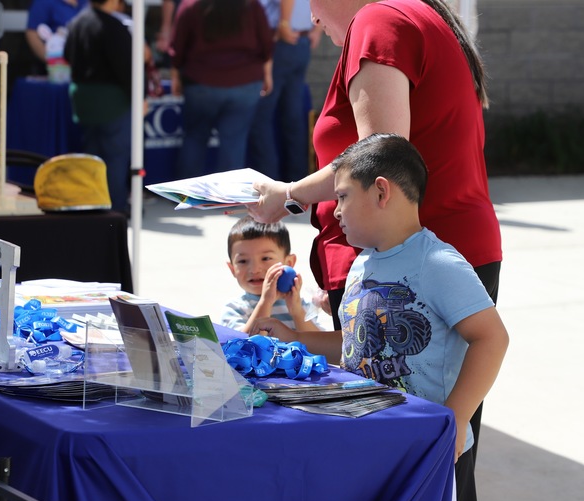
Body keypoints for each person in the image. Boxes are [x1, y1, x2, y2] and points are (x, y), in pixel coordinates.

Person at [247, 0, 500, 472]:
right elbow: (360, 346)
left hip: (420, 259)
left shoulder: (379, 22)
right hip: (412, 254)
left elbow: (379, 154)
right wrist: (296, 333)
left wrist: (288, 195)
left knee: (421, 473)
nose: (311, 18)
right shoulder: (405, 17)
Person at [252, 134, 509, 501]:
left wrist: (455, 420)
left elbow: (492, 338)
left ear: (381, 192)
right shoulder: (363, 262)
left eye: (341, 197)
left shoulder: (437, 261)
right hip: (374, 442)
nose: (333, 211)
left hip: (425, 450)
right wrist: (292, 337)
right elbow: (355, 343)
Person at [169, 0, 274, 178]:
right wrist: (267, 74)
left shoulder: (190, 5)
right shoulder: (251, 5)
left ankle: (185, 195)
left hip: (201, 81)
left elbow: (177, 46)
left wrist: (175, 76)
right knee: (234, 142)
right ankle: (227, 199)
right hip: (244, 81)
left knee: (195, 138)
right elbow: (266, 43)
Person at [63, 0, 136, 214]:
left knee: (91, 156)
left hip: (84, 101)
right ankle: (115, 209)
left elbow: (67, 54)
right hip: (111, 103)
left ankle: (92, 205)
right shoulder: (114, 27)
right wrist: (139, 97)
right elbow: (127, 68)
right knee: (114, 158)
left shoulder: (77, 23)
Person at [247, 0, 323, 183]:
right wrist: (318, 29)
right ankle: (296, 178)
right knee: (292, 116)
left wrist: (284, 23)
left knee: (261, 116)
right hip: (300, 39)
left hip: (281, 40)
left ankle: (268, 181)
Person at [221, 215, 325, 333]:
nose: (254, 269)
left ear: (289, 263)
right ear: (232, 269)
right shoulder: (235, 310)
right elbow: (243, 346)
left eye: (265, 258)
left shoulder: (301, 305)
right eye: (242, 261)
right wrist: (265, 302)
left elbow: (318, 344)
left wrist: (297, 312)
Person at [26, 0, 88, 72]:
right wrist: (54, 62)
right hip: (57, 70)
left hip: (88, 68)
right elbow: (33, 34)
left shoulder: (89, 2)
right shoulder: (44, 2)